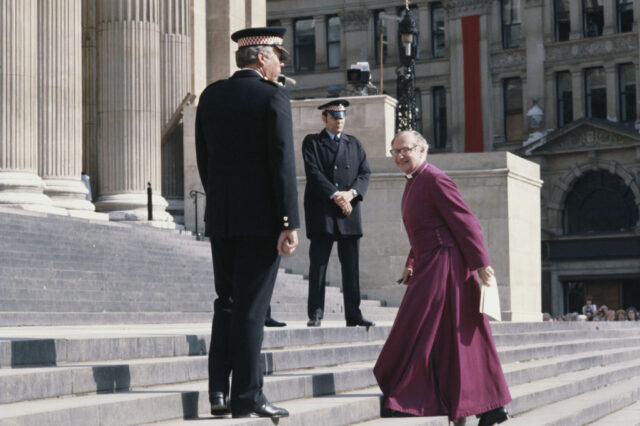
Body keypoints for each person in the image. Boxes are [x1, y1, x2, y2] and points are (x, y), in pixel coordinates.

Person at [195, 26, 299, 419]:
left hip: (221, 218)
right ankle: (248, 397)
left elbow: (204, 160)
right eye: (278, 56)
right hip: (261, 222)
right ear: (261, 57)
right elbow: (283, 164)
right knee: (253, 309)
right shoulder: (273, 96)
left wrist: (221, 203)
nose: (281, 64)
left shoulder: (211, 96)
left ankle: (218, 392)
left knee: (227, 304)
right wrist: (289, 221)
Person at [374, 131, 511, 425]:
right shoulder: (414, 181)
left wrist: (482, 263)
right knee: (453, 335)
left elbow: (466, 222)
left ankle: (408, 394)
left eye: (405, 150)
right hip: (429, 263)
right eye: (394, 151)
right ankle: (484, 406)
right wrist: (412, 261)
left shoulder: (435, 178)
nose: (399, 156)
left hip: (445, 264)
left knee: (416, 326)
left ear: (422, 150)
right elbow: (423, 228)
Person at [301, 99, 374, 328]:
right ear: (325, 118)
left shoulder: (354, 144)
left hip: (348, 213)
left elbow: (364, 173)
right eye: (335, 117)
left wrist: (351, 194)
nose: (340, 121)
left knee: (351, 268)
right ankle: (315, 313)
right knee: (318, 266)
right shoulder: (312, 142)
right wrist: (336, 195)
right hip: (323, 211)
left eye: (342, 117)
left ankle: (353, 314)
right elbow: (313, 173)